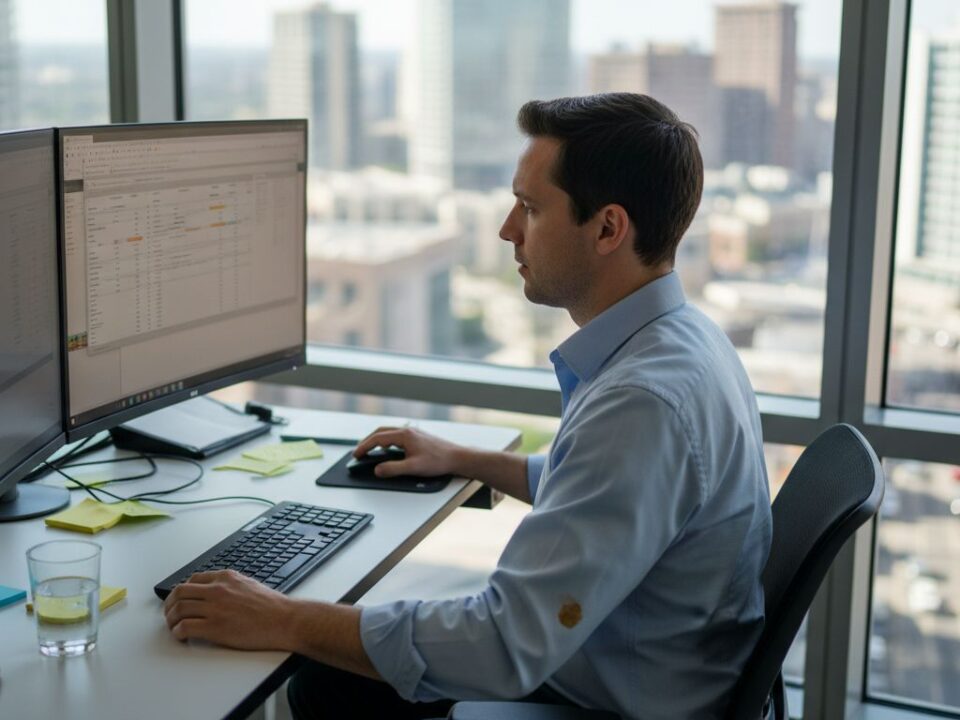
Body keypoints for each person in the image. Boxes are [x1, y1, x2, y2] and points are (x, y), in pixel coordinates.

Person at [163, 93, 772, 720]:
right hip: (637, 664)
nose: (508, 228)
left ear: (608, 228)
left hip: (609, 700)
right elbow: (601, 492)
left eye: (531, 208)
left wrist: (284, 618)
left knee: (322, 680)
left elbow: (503, 646)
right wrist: (466, 459)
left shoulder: (640, 405)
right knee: (340, 667)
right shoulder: (685, 339)